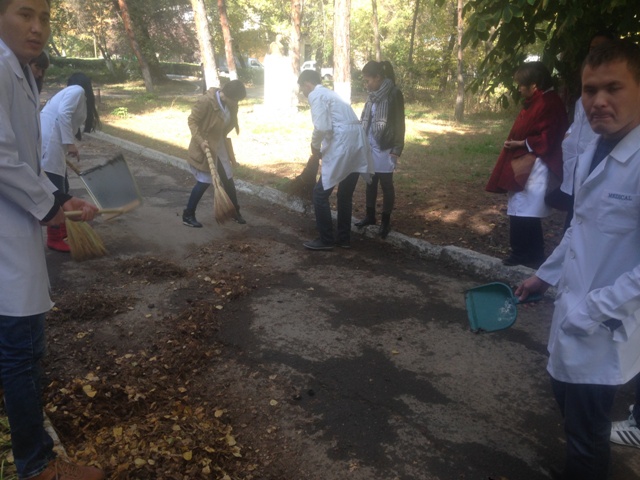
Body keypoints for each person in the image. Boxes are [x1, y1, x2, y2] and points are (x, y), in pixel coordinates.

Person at [515, 40, 640, 480]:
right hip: (574, 310)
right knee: (568, 404)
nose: (599, 101)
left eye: (613, 88)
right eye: (590, 90)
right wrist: (544, 277)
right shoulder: (592, 152)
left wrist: (593, 309)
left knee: (586, 439)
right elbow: (579, 227)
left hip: (606, 323)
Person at [0, 1, 104, 479]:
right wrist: (50, 206)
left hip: (17, 229)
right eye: (25, 14)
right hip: (8, 242)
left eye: (44, 17)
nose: (37, 27)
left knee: (24, 351)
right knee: (21, 356)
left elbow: (22, 155)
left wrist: (59, 199)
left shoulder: (20, 71)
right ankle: (37, 466)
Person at [486, 62, 568, 268]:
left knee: (525, 209)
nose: (519, 89)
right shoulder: (539, 100)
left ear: (534, 85)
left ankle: (523, 253)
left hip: (535, 165)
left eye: (522, 85)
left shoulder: (548, 102)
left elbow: (549, 137)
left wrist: (522, 143)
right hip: (528, 162)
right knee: (523, 209)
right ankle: (532, 253)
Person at [297, 69, 374, 250]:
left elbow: (321, 127)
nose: (302, 92)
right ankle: (344, 239)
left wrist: (314, 146)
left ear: (307, 84)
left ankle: (326, 239)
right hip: (357, 142)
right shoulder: (331, 94)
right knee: (345, 194)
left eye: (302, 88)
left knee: (319, 194)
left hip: (343, 144)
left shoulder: (316, 94)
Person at [559, 32, 617, 231]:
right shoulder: (584, 93)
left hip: (601, 157)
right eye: (592, 48)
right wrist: (568, 136)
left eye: (613, 88)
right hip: (579, 160)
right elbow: (579, 122)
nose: (596, 51)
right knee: (575, 215)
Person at [40, 72, 100, 252]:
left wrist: (67, 145)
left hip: (53, 144)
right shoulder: (77, 90)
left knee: (63, 186)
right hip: (50, 144)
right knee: (56, 189)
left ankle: (63, 229)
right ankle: (55, 237)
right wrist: (70, 144)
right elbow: (63, 114)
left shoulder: (70, 92)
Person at [183, 79, 247, 228]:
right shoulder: (206, 101)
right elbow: (192, 121)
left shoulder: (231, 103)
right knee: (205, 180)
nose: (236, 103)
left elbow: (226, 125)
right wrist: (200, 141)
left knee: (228, 178)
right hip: (205, 146)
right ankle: (188, 215)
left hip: (220, 145)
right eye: (235, 100)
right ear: (227, 95)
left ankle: (234, 211)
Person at [354, 60, 405, 239]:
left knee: (386, 184)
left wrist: (396, 149)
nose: (366, 84)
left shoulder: (394, 93)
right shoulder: (372, 95)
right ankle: (370, 216)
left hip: (385, 146)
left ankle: (385, 221)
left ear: (378, 77)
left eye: (368, 80)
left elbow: (399, 123)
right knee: (370, 181)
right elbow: (365, 117)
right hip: (370, 144)